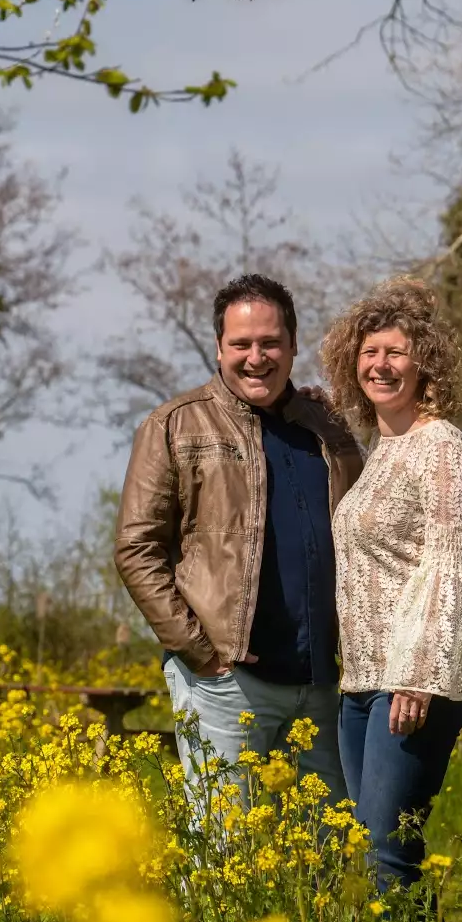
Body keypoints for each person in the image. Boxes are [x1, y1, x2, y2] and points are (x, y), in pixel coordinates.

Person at [115, 273, 365, 806]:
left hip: (320, 683)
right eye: (242, 344)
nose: (257, 357)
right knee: (224, 854)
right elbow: (136, 547)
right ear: (219, 348)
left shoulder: (328, 429)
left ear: (293, 345)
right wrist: (198, 651)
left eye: (271, 343)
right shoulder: (175, 425)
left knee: (326, 855)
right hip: (225, 682)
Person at [323, 276, 462, 894]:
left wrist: (418, 675)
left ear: (425, 364)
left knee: (387, 855)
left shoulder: (441, 446)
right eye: (369, 353)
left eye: (395, 353)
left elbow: (449, 565)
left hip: (412, 681)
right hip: (362, 682)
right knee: (371, 850)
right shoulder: (382, 449)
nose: (380, 365)